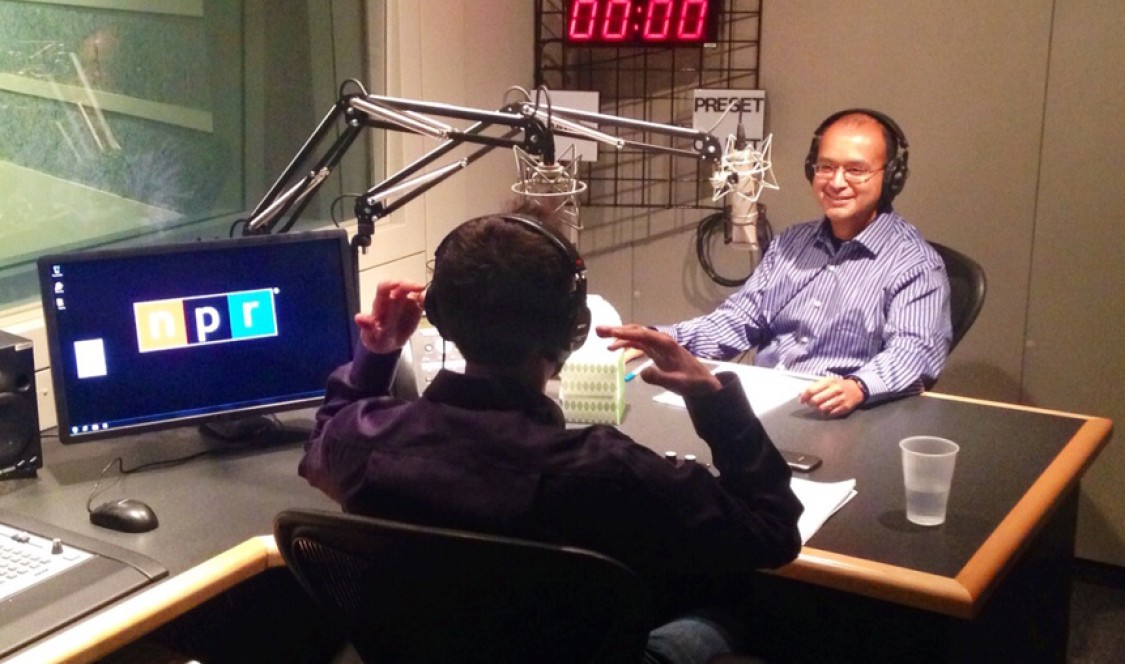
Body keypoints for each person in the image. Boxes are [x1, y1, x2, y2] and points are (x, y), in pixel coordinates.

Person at [299, 211, 803, 664]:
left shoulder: (365, 441)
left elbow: (320, 448)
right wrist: (713, 399)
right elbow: (772, 532)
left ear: (441, 315)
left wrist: (377, 354)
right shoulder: (608, 470)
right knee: (725, 607)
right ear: (573, 329)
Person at [662, 109, 951, 417]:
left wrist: (858, 387)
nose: (836, 182)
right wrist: (660, 341)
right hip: (764, 407)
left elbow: (914, 353)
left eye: (856, 170)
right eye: (826, 167)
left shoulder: (916, 265)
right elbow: (740, 319)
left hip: (845, 418)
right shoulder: (791, 243)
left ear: (892, 177)